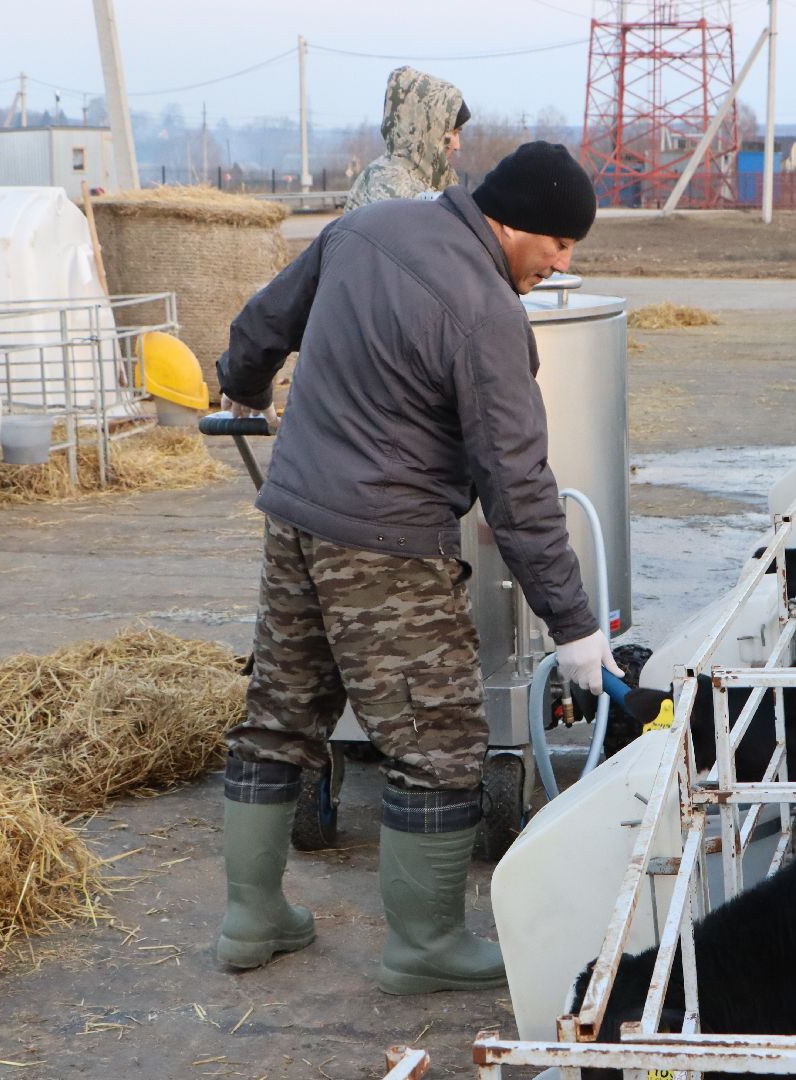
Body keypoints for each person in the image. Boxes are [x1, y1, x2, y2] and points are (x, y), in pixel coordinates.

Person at [213, 141, 622, 994]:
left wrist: (242, 388)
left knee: (280, 715)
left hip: (294, 517)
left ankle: (251, 919)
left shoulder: (361, 228)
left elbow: (262, 323)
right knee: (437, 745)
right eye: (556, 243)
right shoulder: (486, 312)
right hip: (388, 547)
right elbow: (517, 485)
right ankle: (426, 945)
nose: (561, 262)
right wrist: (574, 625)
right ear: (508, 222)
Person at [344, 66, 469, 211]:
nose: (457, 145)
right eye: (453, 132)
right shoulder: (395, 188)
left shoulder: (414, 180)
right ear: (430, 132)